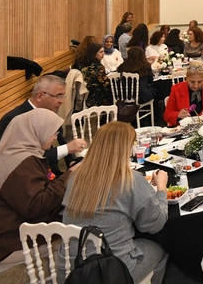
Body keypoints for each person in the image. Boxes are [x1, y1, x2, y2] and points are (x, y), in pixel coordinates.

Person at [62, 121, 168, 284]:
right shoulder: (130, 180)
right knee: (160, 248)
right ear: (126, 148)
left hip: (72, 267)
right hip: (111, 271)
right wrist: (162, 188)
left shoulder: (76, 177)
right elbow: (154, 224)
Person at [0, 109, 76, 267]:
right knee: (77, 227)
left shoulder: (11, 152)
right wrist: (70, 174)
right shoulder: (22, 164)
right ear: (37, 131)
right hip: (3, 242)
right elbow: (37, 206)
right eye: (53, 133)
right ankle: (71, 273)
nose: (55, 138)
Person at [0, 75, 87, 175]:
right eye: (58, 96)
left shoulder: (50, 113)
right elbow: (22, 160)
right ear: (40, 96)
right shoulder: (13, 119)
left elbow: (61, 141)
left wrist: (72, 162)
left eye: (63, 95)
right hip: (31, 178)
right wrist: (67, 149)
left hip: (54, 173)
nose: (62, 101)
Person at [164, 61, 203, 126]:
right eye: (192, 82)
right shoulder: (176, 89)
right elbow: (167, 115)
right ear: (187, 78)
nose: (196, 85)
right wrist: (178, 115)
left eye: (200, 82)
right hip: (183, 127)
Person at [76, 42, 111, 107]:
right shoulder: (99, 67)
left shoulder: (81, 65)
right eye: (101, 52)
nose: (103, 54)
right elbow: (105, 83)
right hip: (96, 97)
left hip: (85, 95)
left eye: (103, 51)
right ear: (94, 54)